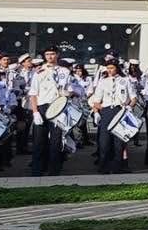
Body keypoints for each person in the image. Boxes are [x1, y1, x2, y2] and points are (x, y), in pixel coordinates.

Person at [28, 49, 80, 177]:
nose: (50, 56)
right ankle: (38, 169)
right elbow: (33, 93)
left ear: (57, 55)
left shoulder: (64, 71)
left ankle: (54, 170)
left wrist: (69, 93)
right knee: (39, 140)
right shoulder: (39, 71)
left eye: (52, 54)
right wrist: (35, 112)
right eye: (47, 54)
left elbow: (70, 90)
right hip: (42, 106)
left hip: (58, 106)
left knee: (56, 141)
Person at [90, 58, 135, 174]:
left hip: (120, 110)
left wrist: (129, 107)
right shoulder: (103, 82)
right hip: (106, 110)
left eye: (112, 68)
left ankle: (118, 167)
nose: (109, 70)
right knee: (104, 141)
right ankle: (104, 166)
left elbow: (133, 98)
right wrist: (97, 111)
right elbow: (96, 101)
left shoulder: (125, 81)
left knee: (119, 142)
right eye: (108, 68)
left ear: (117, 68)